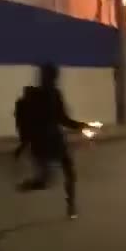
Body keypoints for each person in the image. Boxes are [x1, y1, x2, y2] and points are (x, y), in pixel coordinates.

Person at [17, 64, 88, 219]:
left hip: (52, 140)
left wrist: (81, 126)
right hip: (45, 141)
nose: (54, 79)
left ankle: (71, 206)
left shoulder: (50, 94)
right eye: (53, 76)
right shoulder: (38, 96)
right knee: (49, 179)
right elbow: (28, 122)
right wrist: (24, 144)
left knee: (66, 172)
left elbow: (61, 118)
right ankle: (69, 206)